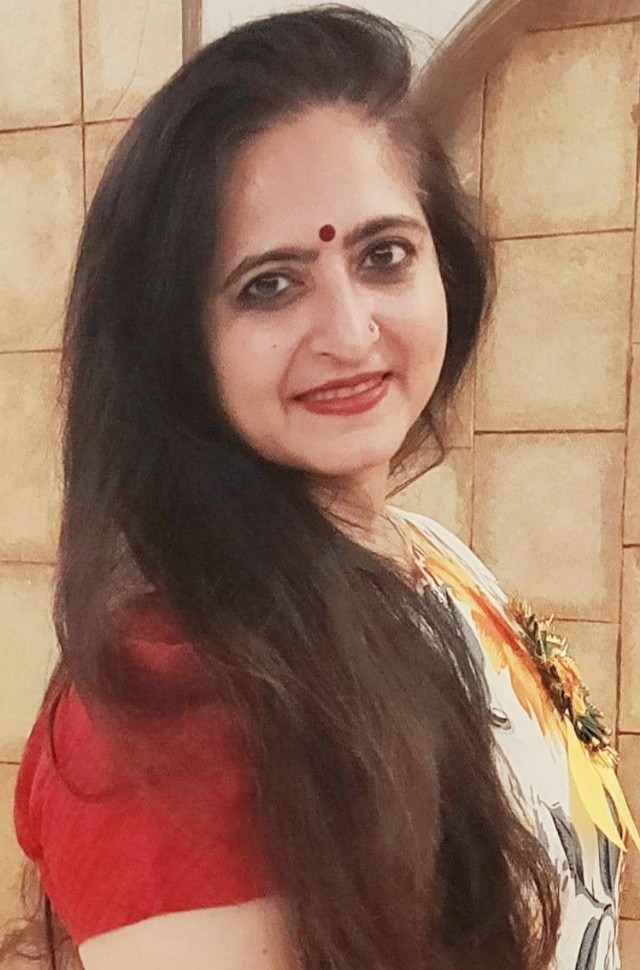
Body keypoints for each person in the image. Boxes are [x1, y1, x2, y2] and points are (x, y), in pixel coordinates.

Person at [2, 6, 638, 970]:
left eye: (384, 256)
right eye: (269, 284)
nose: (349, 331)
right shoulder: (163, 705)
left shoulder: (424, 552)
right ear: (174, 340)